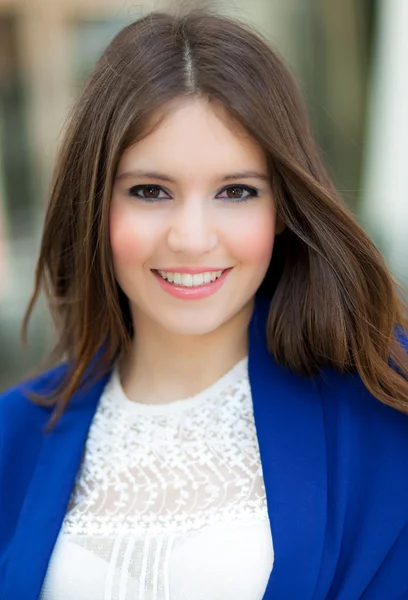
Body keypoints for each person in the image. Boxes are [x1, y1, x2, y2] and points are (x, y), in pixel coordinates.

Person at [1, 7, 408, 600]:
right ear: (95, 204)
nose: (192, 238)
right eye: (150, 191)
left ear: (283, 210)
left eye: (236, 191)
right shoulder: (13, 436)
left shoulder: (379, 410)